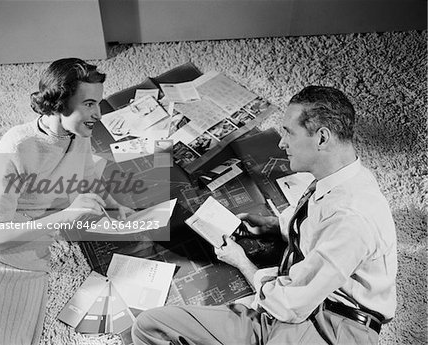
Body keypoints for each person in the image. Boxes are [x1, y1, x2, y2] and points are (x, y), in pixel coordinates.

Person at [131, 86, 397, 345]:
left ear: (322, 138)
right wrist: (276, 224)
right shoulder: (345, 176)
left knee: (151, 328)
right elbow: (320, 222)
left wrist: (243, 263)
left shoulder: (351, 219)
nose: (282, 143)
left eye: (290, 134)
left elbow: (288, 305)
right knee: (151, 324)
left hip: (328, 328)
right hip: (315, 309)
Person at [0, 58, 132, 344]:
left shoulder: (79, 132)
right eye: (88, 104)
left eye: (98, 103)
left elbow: (87, 176)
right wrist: (64, 217)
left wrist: (113, 204)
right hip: (7, 236)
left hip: (45, 221)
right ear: (60, 104)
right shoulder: (14, 148)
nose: (98, 114)